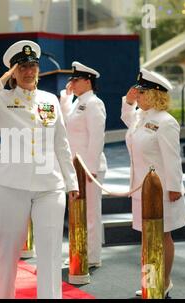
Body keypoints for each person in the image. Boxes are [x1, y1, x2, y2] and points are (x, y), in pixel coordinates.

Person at [0, 40, 79, 299]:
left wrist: (71, 182)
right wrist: (0, 81)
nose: (29, 71)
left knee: (50, 251)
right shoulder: (1, 99)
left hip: (50, 186)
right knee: (8, 249)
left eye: (33, 66)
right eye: (23, 66)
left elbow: (61, 143)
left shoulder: (49, 100)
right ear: (14, 71)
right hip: (10, 185)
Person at [121, 68, 185, 297]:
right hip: (142, 189)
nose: (136, 95)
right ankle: (151, 282)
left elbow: (172, 157)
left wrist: (174, 188)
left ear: (152, 94)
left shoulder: (165, 121)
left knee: (162, 236)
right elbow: (128, 121)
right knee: (147, 237)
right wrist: (128, 103)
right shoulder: (142, 117)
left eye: (141, 92)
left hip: (161, 190)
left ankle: (164, 282)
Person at [59, 61, 107, 268]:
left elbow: (97, 138)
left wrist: (92, 169)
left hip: (88, 168)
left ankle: (93, 256)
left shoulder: (94, 103)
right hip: (76, 168)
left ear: (88, 81)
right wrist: (66, 97)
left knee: (91, 214)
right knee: (78, 212)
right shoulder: (78, 102)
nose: (72, 83)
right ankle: (79, 251)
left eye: (76, 80)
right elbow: (63, 121)